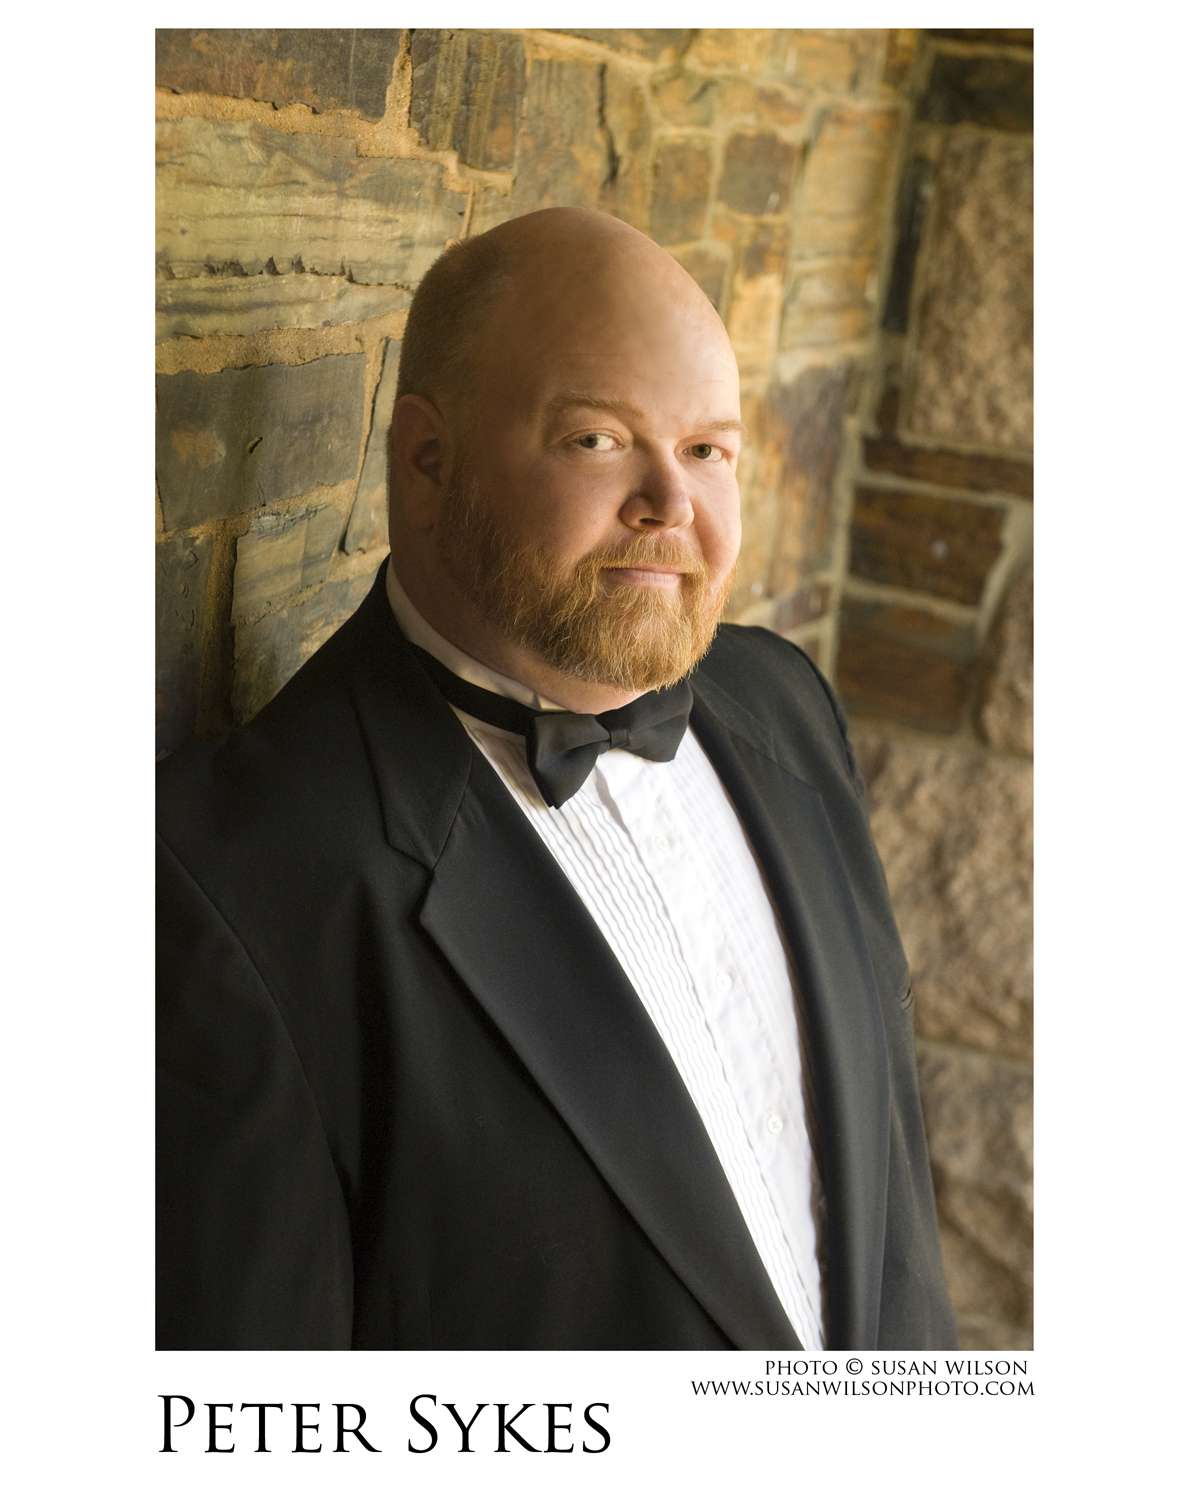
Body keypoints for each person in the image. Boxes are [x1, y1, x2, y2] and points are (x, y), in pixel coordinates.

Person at [156, 206, 956, 1351]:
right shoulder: (230, 886)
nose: (672, 503)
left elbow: (889, 1216)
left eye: (708, 450)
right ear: (427, 460)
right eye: (597, 439)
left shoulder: (788, 704)